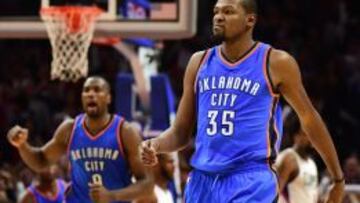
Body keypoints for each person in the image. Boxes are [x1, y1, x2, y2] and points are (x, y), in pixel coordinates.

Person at [139, 0, 344, 202]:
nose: (219, 16)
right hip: (202, 181)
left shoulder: (275, 62)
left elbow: (309, 118)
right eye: (216, 11)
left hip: (250, 180)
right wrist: (156, 144)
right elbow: (180, 133)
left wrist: (337, 177)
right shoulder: (198, 62)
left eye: (228, 12)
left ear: (250, 20)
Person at [7, 76, 153, 203]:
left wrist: (112, 196)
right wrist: (22, 145)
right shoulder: (69, 129)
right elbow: (41, 161)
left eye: (97, 90)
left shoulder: (125, 132)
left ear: (108, 97)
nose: (91, 94)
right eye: (87, 90)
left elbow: (147, 184)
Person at [276, 114, 318, 203]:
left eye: (312, 135)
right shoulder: (289, 158)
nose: (311, 139)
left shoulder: (312, 164)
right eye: (306, 134)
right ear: (296, 136)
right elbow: (273, 194)